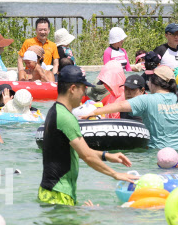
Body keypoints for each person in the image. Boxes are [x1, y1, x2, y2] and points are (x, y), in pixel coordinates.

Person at [39, 65, 137, 206]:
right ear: (72, 89)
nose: (85, 93)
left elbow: (76, 151)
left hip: (53, 191)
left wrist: (107, 156)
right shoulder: (66, 118)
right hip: (58, 194)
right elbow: (87, 156)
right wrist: (116, 174)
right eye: (83, 88)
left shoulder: (54, 111)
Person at [85, 66, 178, 149]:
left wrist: (94, 112)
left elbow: (120, 105)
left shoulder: (147, 100)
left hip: (158, 152)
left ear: (154, 83)